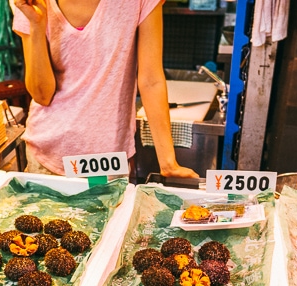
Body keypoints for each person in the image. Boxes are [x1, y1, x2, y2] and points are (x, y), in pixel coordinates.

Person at [10, 0, 199, 179]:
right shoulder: (34, 4)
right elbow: (42, 95)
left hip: (107, 162)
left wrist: (168, 162)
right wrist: (36, 25)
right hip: (47, 157)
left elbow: (151, 80)